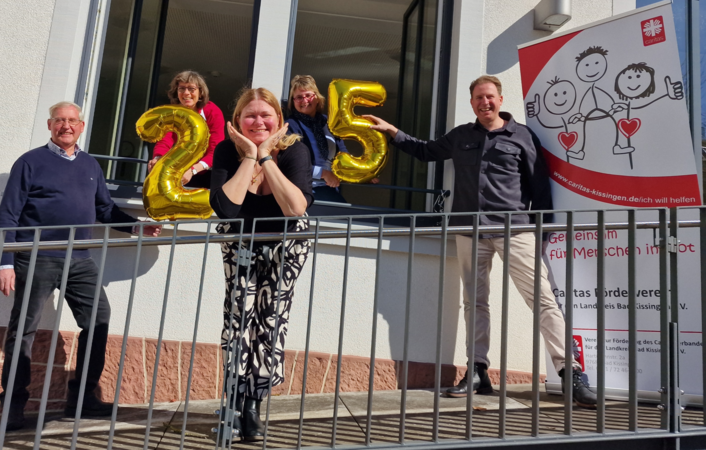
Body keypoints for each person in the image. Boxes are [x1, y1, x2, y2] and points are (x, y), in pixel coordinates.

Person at [365, 75, 598, 409]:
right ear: (471, 102)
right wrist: (392, 131)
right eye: (478, 98)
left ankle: (572, 374)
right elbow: (425, 151)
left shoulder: (522, 136)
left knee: (543, 300)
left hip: (515, 230)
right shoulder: (462, 136)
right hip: (469, 230)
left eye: (489, 97)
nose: (484, 103)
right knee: (475, 302)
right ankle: (477, 371)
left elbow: (540, 186)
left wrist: (542, 233)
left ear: (500, 100)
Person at [0, 101, 162, 431]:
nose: (66, 126)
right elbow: (7, 215)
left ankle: (83, 398)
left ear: (81, 127)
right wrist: (5, 262)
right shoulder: (30, 162)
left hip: (80, 259)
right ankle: (12, 406)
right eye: (59, 120)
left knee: (98, 319)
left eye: (72, 121)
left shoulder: (90, 165)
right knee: (23, 331)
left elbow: (104, 208)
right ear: (49, 125)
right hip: (37, 256)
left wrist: (135, 227)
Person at [209, 87, 313, 440]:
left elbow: (295, 208)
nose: (258, 121)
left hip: (286, 246)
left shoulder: (296, 150)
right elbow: (227, 207)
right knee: (238, 318)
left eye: (266, 115)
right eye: (249, 115)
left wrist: (268, 158)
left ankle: (253, 403)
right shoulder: (226, 150)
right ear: (237, 121)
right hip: (241, 246)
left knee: (270, 323)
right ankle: (235, 399)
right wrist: (251, 156)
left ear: (279, 121)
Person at [285, 75, 377, 203]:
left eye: (308, 95)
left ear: (317, 98)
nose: (304, 100)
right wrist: (323, 174)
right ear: (293, 101)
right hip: (304, 189)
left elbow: (343, 153)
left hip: (329, 188)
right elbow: (289, 162)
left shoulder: (329, 122)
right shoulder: (290, 125)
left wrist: (361, 173)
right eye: (299, 97)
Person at [148, 70, 225, 188]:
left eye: (191, 89)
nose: (186, 93)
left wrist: (193, 170)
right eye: (181, 89)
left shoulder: (212, 112)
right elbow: (165, 139)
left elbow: (215, 147)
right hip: (178, 170)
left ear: (200, 92)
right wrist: (158, 158)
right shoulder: (173, 113)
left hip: (207, 172)